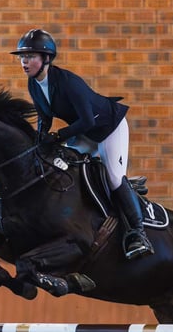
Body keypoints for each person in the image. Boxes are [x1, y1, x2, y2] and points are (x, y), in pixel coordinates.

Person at [10, 28, 154, 260]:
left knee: (115, 178)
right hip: (84, 132)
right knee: (61, 165)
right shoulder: (33, 84)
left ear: (46, 59)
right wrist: (38, 140)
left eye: (30, 57)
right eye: (22, 58)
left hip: (108, 128)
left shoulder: (68, 82)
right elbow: (44, 116)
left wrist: (59, 136)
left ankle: (138, 233)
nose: (24, 62)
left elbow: (87, 120)